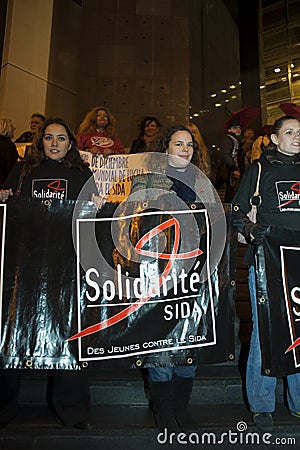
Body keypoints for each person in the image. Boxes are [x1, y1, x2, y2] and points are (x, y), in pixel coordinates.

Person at [0, 117, 99, 429]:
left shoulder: (82, 173)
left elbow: (94, 216)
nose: (54, 143)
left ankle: (73, 410)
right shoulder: (23, 171)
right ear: (40, 142)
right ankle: (3, 408)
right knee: (10, 333)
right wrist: (3, 197)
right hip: (23, 266)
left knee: (69, 336)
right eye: (48, 138)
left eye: (60, 138)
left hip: (65, 267)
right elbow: (7, 210)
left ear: (70, 143)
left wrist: (96, 204)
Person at [130, 125, 219, 432]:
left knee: (191, 337)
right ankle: (164, 408)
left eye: (190, 145)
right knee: (159, 343)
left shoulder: (202, 183)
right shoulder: (146, 179)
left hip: (195, 272)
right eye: (178, 143)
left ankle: (182, 405)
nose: (185, 149)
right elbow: (131, 222)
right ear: (165, 148)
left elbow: (214, 225)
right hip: (158, 273)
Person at [232, 115, 300, 432]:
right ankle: (262, 405)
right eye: (289, 132)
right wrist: (251, 229)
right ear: (274, 138)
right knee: (264, 334)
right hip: (269, 261)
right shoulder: (259, 171)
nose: (297, 137)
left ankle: (298, 403)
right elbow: (237, 211)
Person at [215, 119, 243, 203]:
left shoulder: (235, 140)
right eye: (235, 128)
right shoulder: (229, 139)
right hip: (227, 172)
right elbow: (226, 155)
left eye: (239, 128)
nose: (238, 129)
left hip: (229, 172)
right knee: (228, 195)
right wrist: (234, 168)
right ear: (229, 130)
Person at [0, 119, 19, 187]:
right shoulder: (9, 145)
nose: (14, 130)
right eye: (13, 128)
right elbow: (12, 168)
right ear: (8, 129)